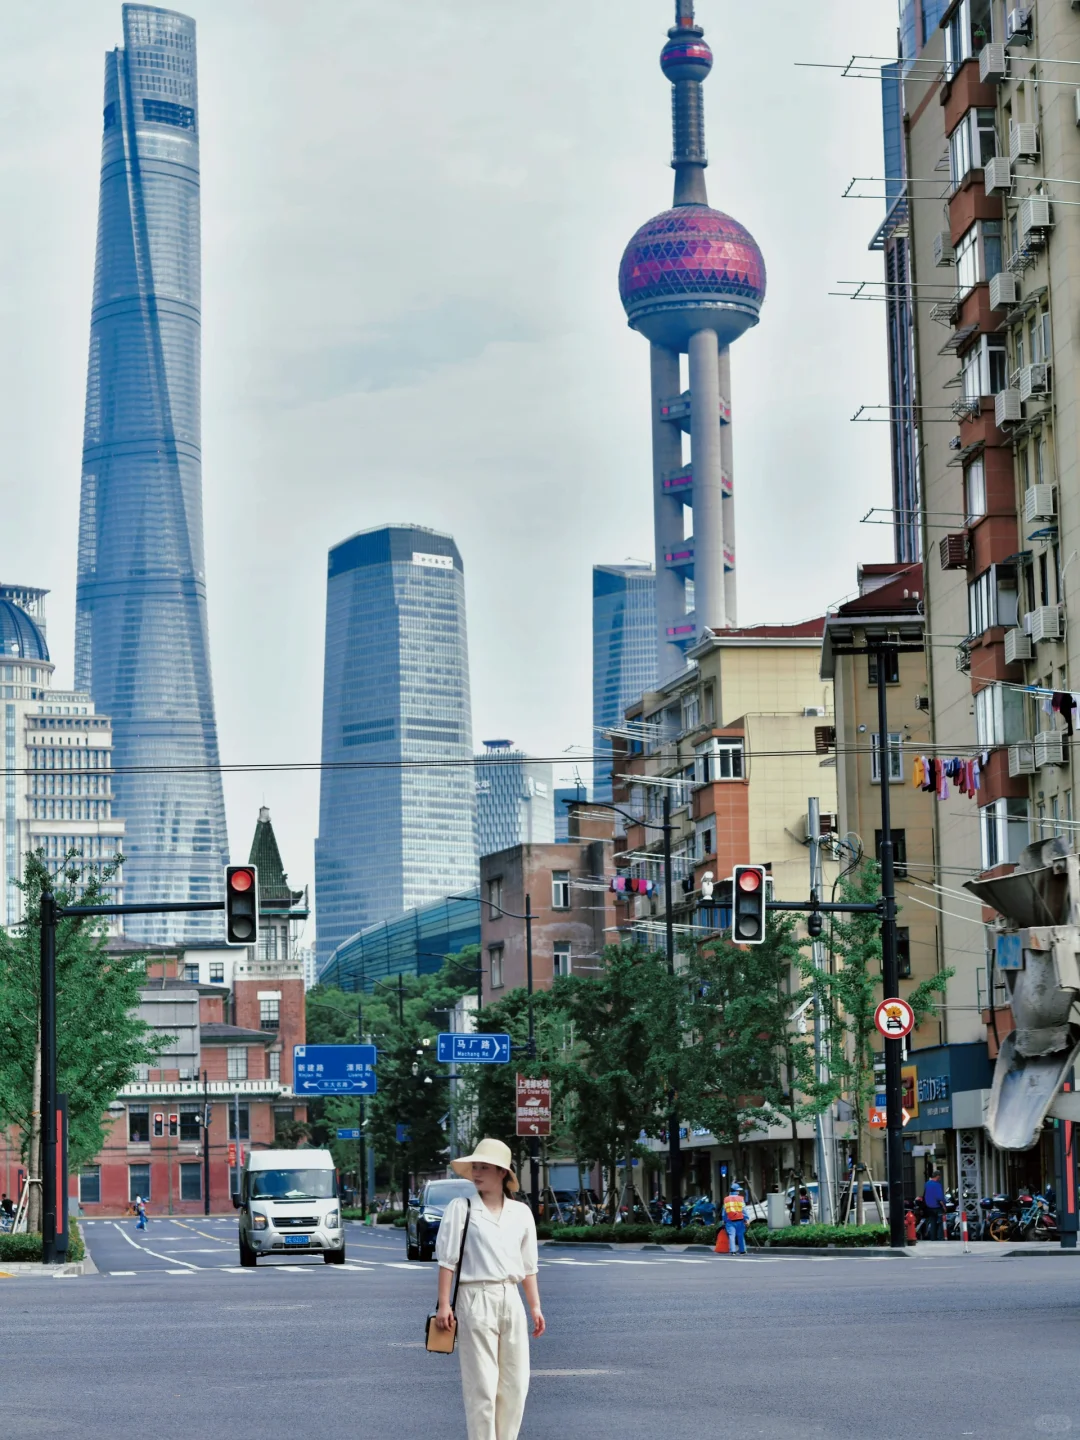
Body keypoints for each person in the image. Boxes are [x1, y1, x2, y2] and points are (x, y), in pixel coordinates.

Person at [434, 1138, 544, 1440]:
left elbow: (528, 1266)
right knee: (482, 1384)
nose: (477, 1173)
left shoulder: (521, 1213)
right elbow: (448, 1260)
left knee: (515, 1383)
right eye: (475, 1167)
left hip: (511, 1299)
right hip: (475, 1297)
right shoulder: (462, 1208)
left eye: (484, 1167)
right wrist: (444, 1305)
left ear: (502, 1173)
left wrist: (534, 1306)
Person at [722, 1183, 747, 1255]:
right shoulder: (740, 1199)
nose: (739, 1192)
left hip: (729, 1220)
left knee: (731, 1235)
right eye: (738, 1190)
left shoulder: (726, 1199)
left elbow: (724, 1211)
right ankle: (742, 1250)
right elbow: (744, 1210)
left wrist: (724, 1220)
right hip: (740, 1219)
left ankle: (732, 1251)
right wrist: (747, 1218)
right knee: (740, 1235)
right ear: (736, 1191)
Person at [922, 1171, 945, 1241]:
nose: (940, 1178)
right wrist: (943, 1206)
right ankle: (940, 1237)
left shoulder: (927, 1184)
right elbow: (939, 1197)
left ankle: (933, 1238)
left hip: (929, 1206)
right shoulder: (937, 1185)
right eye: (939, 1176)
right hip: (937, 1206)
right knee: (941, 1222)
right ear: (937, 1176)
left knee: (933, 1222)